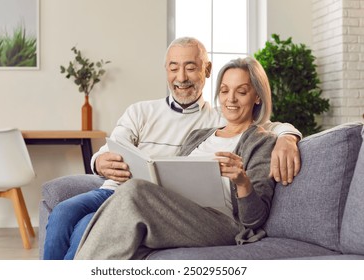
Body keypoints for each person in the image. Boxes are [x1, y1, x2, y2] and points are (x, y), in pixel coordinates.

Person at [43, 37, 301, 260]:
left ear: (256, 96)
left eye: (241, 92)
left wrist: (283, 142)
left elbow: (254, 218)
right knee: (68, 210)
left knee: (128, 196)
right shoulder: (201, 132)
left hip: (213, 218)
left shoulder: (253, 137)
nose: (231, 99)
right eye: (224, 91)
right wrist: (100, 162)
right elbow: (115, 146)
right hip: (167, 204)